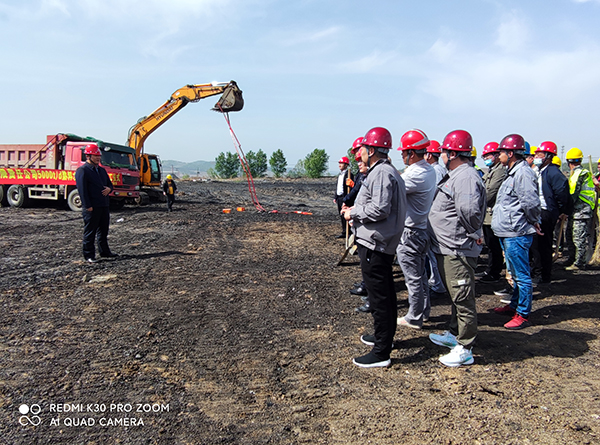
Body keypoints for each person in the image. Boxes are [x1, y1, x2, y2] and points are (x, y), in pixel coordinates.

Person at [341, 127, 406, 368]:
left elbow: (380, 209)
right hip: (379, 241)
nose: (359, 154)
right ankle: (384, 340)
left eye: (363, 149)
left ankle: (381, 352)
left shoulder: (380, 173)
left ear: (371, 150)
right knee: (385, 295)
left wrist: (353, 213)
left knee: (380, 298)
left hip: (376, 243)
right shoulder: (386, 171)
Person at [428, 130, 486, 367]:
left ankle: (465, 347)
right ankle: (454, 334)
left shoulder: (466, 177)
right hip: (448, 246)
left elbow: (469, 211)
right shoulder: (457, 175)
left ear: (452, 153)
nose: (441, 155)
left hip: (457, 248)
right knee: (455, 295)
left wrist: (474, 232)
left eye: (443, 151)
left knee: (463, 298)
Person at [492, 134, 542, 330]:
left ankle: (523, 313)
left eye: (502, 152)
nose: (499, 155)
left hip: (517, 231)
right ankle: (514, 305)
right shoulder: (512, 172)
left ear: (511, 153)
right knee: (514, 273)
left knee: (521, 275)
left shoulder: (523, 174)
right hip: (508, 231)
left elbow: (531, 203)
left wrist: (533, 221)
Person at [395, 129, 437, 330]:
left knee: (412, 278)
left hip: (410, 232)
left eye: (404, 152)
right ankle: (424, 311)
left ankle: (414, 317)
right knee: (421, 275)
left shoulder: (414, 174)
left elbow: (392, 190)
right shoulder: (429, 170)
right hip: (422, 229)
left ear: (411, 153)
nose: (402, 155)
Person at [533, 142, 573, 282]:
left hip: (547, 212)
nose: (536, 157)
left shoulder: (553, 173)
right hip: (539, 211)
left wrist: (561, 211)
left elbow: (562, 194)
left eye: (540, 155)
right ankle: (537, 271)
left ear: (548, 156)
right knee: (536, 245)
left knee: (544, 245)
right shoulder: (540, 171)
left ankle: (544, 275)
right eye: (536, 154)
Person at [75, 143, 117, 264]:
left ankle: (104, 252)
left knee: (103, 231)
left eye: (99, 156)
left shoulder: (101, 170)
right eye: (95, 156)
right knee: (90, 231)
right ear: (88, 156)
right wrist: (87, 206)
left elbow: (109, 184)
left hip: (103, 205)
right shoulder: (83, 171)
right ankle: (89, 255)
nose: (98, 158)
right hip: (92, 207)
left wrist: (109, 189)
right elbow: (82, 190)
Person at [479, 142, 506, 283]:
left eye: (488, 156)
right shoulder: (492, 170)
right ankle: (490, 270)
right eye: (485, 157)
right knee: (490, 244)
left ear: (496, 155)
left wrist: (479, 203)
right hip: (487, 213)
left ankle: (494, 272)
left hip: (492, 213)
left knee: (494, 245)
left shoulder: (500, 171)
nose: (486, 159)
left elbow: (490, 193)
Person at [565, 147, 596, 270]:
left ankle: (579, 263)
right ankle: (572, 259)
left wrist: (565, 208)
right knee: (569, 235)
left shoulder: (580, 174)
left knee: (578, 238)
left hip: (581, 210)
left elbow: (573, 193)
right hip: (576, 210)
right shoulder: (577, 173)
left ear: (569, 162)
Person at [334, 156, 353, 239]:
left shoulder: (349, 174)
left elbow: (351, 187)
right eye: (339, 163)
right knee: (341, 215)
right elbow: (338, 186)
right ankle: (344, 231)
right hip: (339, 197)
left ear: (346, 165)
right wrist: (335, 197)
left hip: (345, 197)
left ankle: (349, 232)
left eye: (342, 163)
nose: (340, 165)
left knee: (346, 215)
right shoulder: (340, 175)